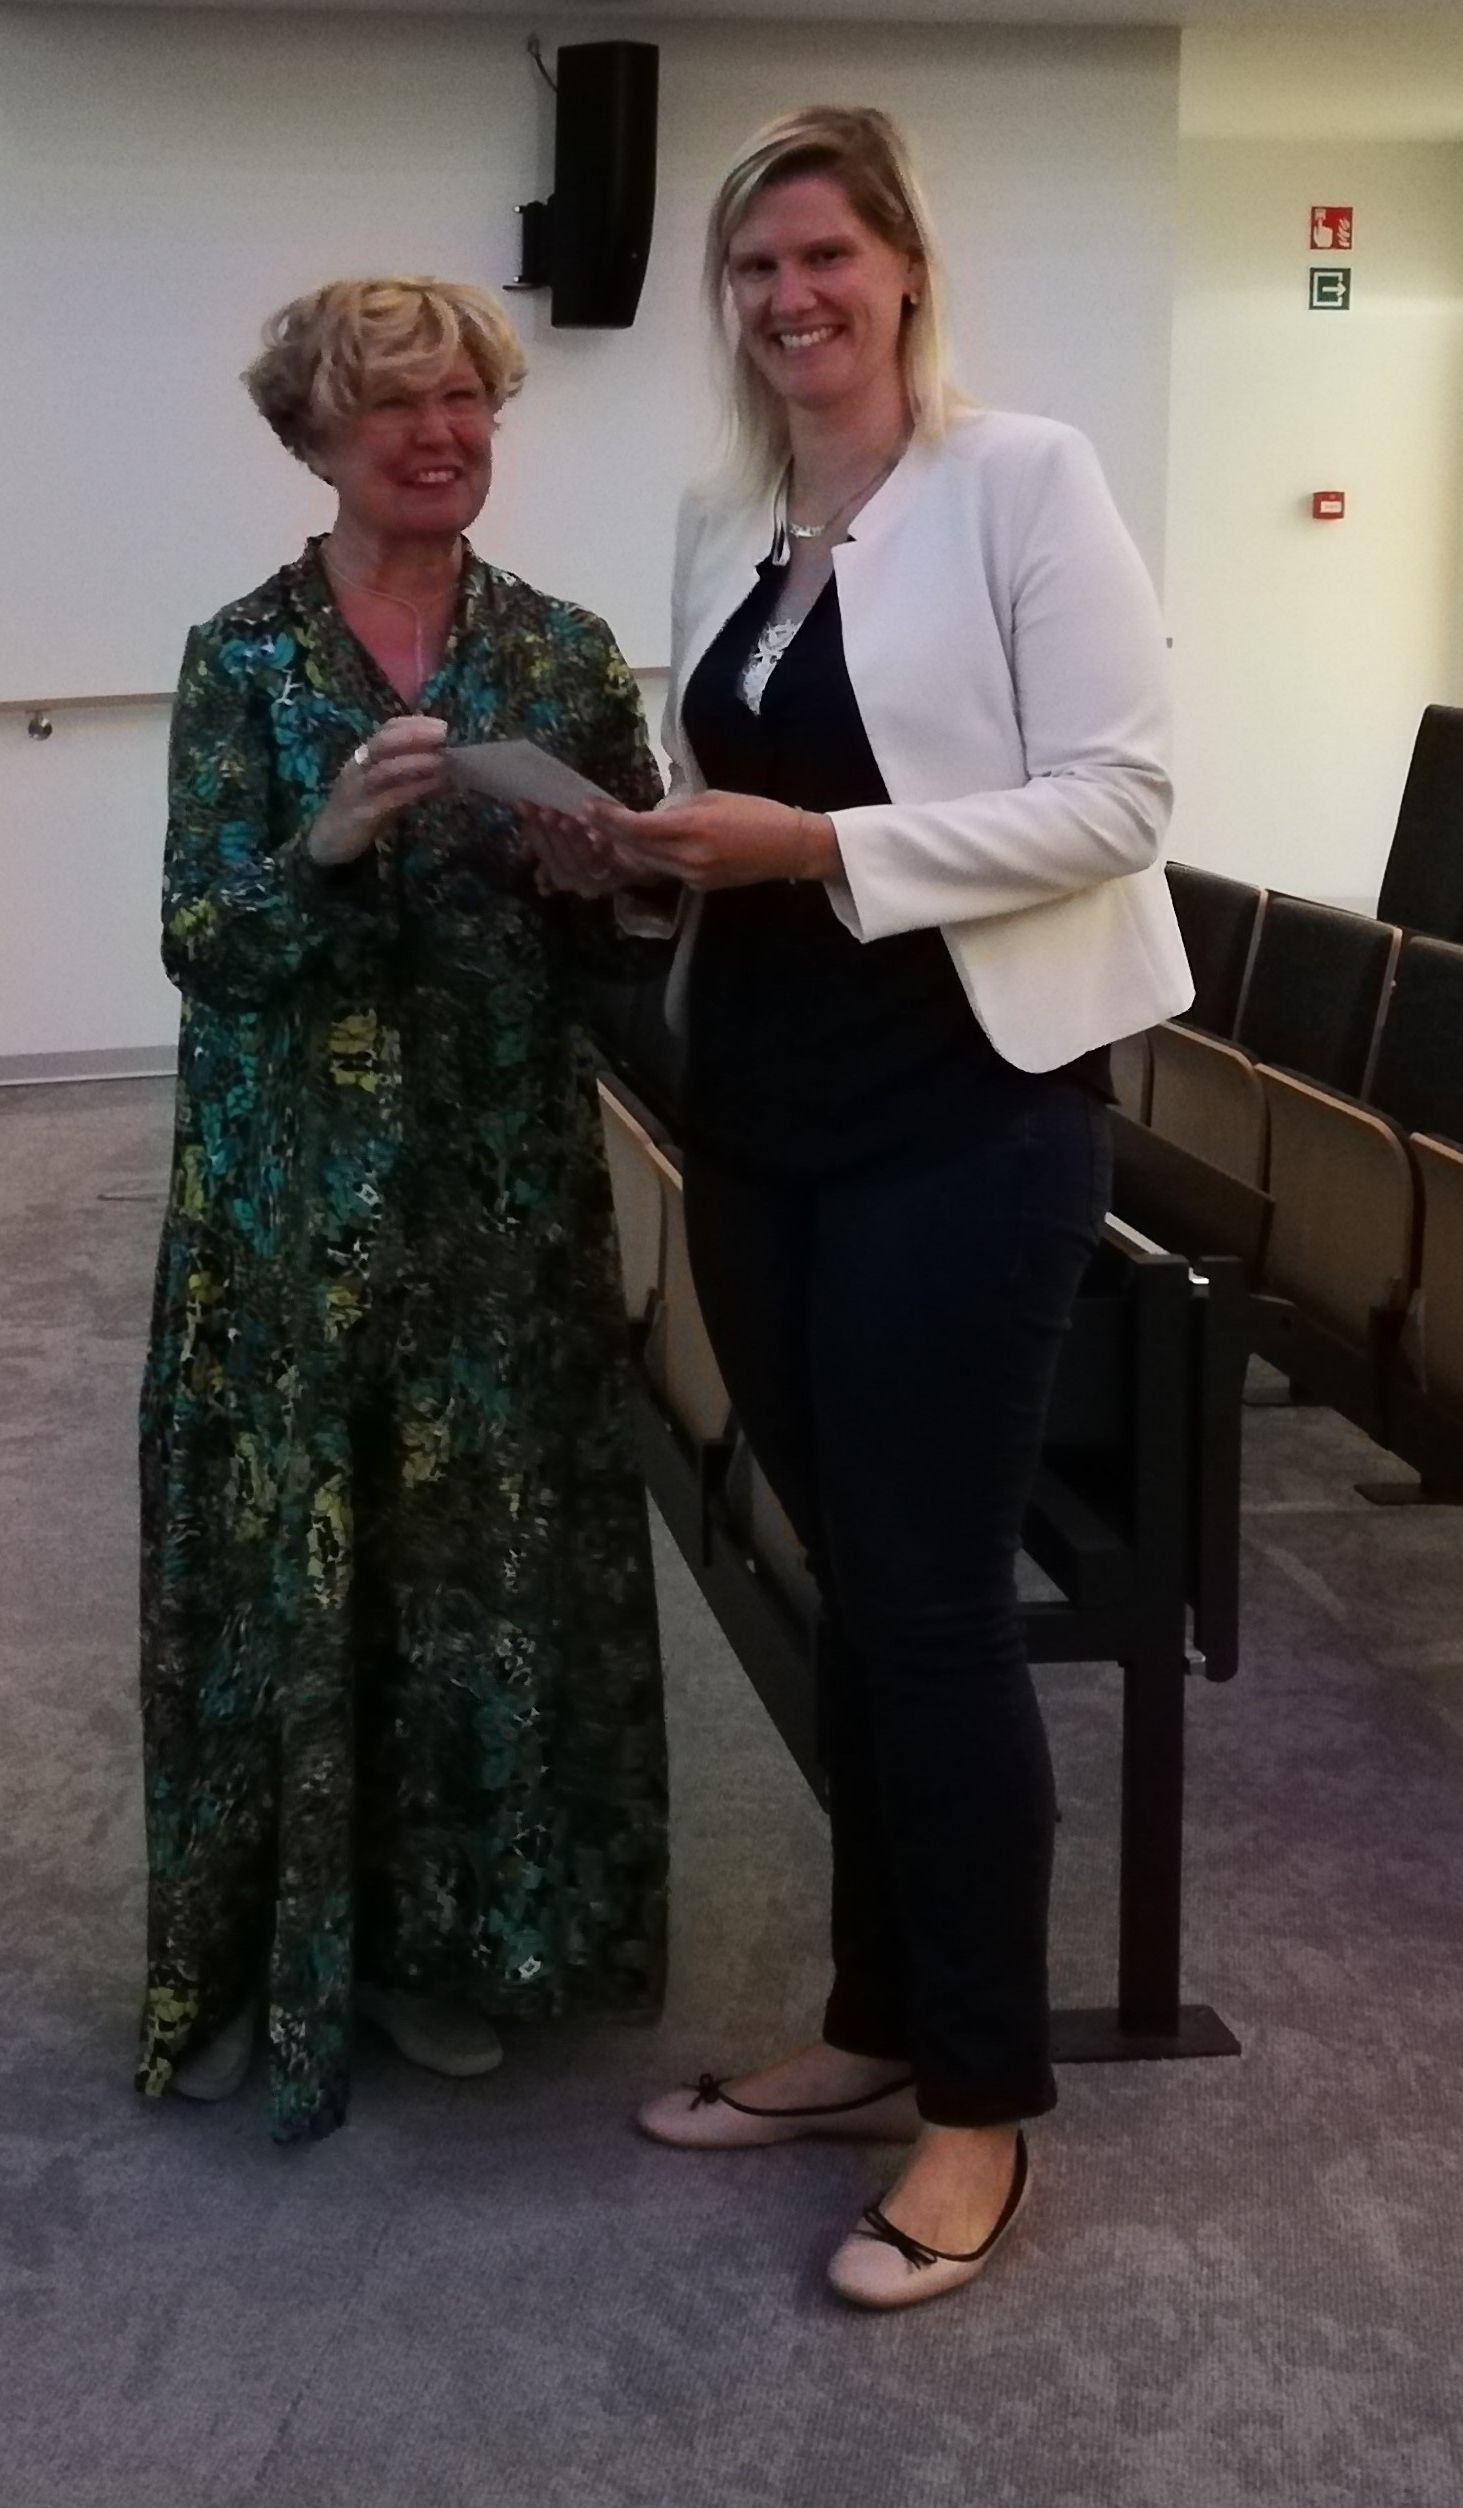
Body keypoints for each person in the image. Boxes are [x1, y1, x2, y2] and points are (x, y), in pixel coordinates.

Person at [537, 108, 1191, 2309]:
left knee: (931, 1613)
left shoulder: (1023, 481)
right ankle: (877, 2024)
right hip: (768, 1115)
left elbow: (1121, 799)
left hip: (969, 1119)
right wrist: (636, 851)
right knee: (848, 1599)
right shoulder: (727, 515)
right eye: (755, 269)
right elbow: (723, 800)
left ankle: (981, 2107)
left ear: (905, 266)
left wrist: (817, 852)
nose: (789, 298)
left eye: (824, 255)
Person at [136, 278, 669, 2145]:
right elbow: (205, 943)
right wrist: (330, 842)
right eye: (395, 409)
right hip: (285, 1208)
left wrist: (607, 884)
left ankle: (446, 1948)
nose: (440, 437)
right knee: (283, 1578)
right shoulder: (245, 658)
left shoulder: (566, 657)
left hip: (497, 1205)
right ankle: (256, 1953)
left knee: (475, 1584)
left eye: (466, 403)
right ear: (316, 437)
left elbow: (642, 953)